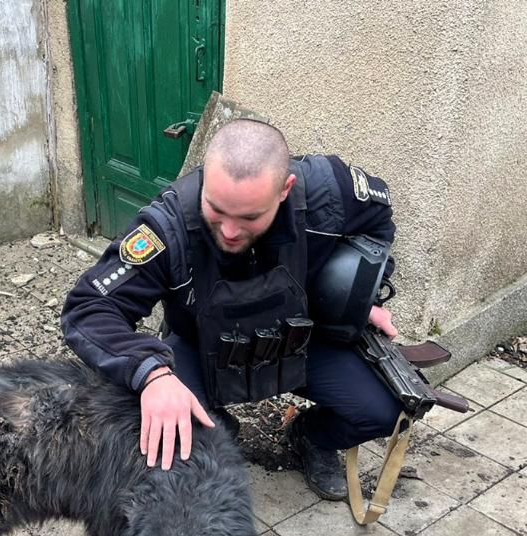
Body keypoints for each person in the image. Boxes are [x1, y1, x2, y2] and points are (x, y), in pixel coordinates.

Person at [61, 119, 401, 500]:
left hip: (298, 336)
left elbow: (378, 223)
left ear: (284, 189)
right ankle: (214, 427)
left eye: (250, 217)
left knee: (385, 410)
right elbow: (88, 308)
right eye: (217, 210)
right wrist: (151, 373)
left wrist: (356, 298)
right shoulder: (167, 228)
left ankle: (311, 436)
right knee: (160, 434)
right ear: (205, 179)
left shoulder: (329, 194)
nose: (229, 231)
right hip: (203, 346)